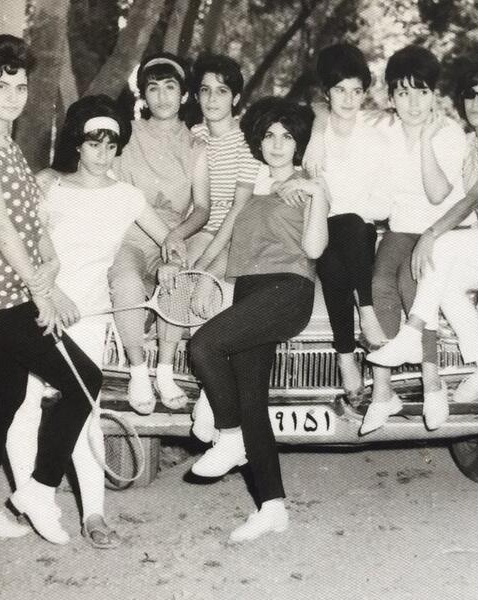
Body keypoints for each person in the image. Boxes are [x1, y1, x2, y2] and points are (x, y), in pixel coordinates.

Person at [0, 34, 101, 546]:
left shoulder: (6, 144)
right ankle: (39, 487)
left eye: (20, 85)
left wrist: (50, 268)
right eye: (1, 85)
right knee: (85, 380)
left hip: (20, 286)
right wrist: (43, 294)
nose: (13, 95)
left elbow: (31, 225)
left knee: (2, 396)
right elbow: (0, 229)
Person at [5, 95, 177, 548]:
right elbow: (19, 242)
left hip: (90, 317)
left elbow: (167, 239)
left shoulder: (127, 196)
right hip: (37, 311)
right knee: (21, 409)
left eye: (111, 144)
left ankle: (94, 515)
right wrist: (44, 296)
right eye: (93, 143)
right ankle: (37, 502)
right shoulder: (49, 186)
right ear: (76, 145)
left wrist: (171, 259)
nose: (102, 153)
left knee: (84, 415)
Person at [188, 97, 328, 542]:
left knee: (203, 346)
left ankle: (229, 439)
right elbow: (230, 243)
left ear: (299, 143)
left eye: (287, 136)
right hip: (249, 288)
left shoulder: (309, 185)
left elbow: (313, 250)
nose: (277, 144)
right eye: (269, 134)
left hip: (289, 289)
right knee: (252, 402)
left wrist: (318, 194)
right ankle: (272, 507)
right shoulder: (252, 189)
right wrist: (201, 276)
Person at [366, 58, 478, 412]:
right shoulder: (467, 140)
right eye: (470, 94)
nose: (476, 102)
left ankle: (412, 335)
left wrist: (431, 233)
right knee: (444, 285)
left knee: (441, 250)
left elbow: (473, 197)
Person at [355, 45, 469, 434]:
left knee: (412, 283)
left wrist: (422, 141)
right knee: (378, 283)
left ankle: (433, 385)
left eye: (422, 91)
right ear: (390, 97)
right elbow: (331, 112)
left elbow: (438, 195)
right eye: (403, 93)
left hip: (441, 229)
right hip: (400, 227)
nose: (413, 102)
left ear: (435, 94)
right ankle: (383, 394)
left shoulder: (449, 132)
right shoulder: (381, 128)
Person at [282, 42, 390, 405]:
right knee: (337, 232)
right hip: (316, 229)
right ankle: (368, 314)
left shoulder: (375, 138)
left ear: (364, 93)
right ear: (327, 92)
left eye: (356, 90)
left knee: (345, 237)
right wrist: (315, 133)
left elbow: (382, 202)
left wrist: (344, 206)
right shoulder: (314, 132)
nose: (348, 99)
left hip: (358, 235)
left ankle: (346, 359)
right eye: (340, 90)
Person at [108, 51, 207, 415]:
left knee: (180, 281)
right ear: (143, 96)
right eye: (154, 88)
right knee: (126, 282)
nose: (163, 96)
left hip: (176, 233)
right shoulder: (126, 135)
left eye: (171, 88)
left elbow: (203, 208)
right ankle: (137, 370)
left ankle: (164, 372)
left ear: (184, 95)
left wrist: (176, 239)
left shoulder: (196, 146)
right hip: (131, 232)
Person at [186, 53, 261, 443]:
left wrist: (207, 270)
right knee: (187, 286)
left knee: (211, 291)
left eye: (222, 91)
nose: (212, 99)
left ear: (235, 97)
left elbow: (237, 211)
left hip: (239, 234)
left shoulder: (247, 140)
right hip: (203, 230)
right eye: (204, 91)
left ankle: (208, 397)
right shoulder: (194, 138)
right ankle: (206, 387)